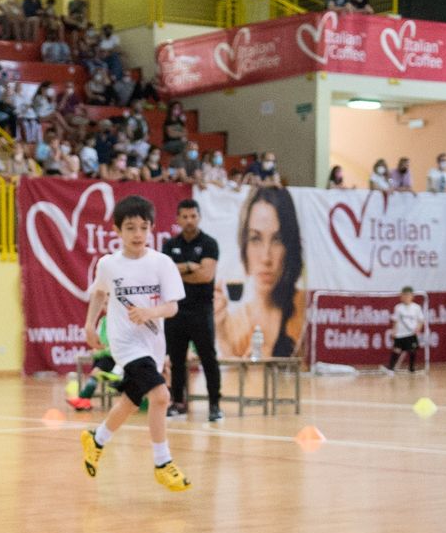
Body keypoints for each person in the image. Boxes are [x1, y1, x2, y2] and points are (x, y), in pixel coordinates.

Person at [79, 195, 189, 492]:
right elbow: (100, 294)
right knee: (161, 397)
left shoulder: (162, 263)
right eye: (130, 228)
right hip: (126, 344)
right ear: (117, 230)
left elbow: (172, 307)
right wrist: (90, 324)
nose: (137, 234)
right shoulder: (109, 265)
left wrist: (150, 312)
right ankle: (162, 462)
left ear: (151, 228)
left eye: (143, 227)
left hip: (153, 343)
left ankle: (97, 438)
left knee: (131, 401)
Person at [214, 187, 305, 359]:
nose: (266, 257)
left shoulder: (305, 308)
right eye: (256, 239)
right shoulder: (234, 323)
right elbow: (233, 381)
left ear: (290, 245)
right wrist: (221, 334)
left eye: (277, 240)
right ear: (244, 245)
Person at [162, 199, 222, 422]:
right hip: (176, 310)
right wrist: (189, 266)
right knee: (177, 360)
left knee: (208, 357)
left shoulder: (209, 244)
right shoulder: (169, 245)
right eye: (184, 217)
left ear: (199, 217)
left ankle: (215, 404)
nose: (189, 221)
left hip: (201, 310)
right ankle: (178, 402)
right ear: (178, 219)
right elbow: (165, 274)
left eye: (193, 216)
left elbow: (206, 275)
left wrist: (179, 271)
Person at [385, 286, 425, 374]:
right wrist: (394, 331)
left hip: (411, 333)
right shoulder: (398, 307)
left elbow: (421, 320)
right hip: (400, 334)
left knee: (412, 350)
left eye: (408, 295)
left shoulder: (416, 307)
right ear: (401, 297)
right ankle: (391, 368)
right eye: (404, 295)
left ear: (412, 296)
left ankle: (411, 368)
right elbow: (395, 320)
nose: (406, 298)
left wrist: (418, 328)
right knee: (396, 350)